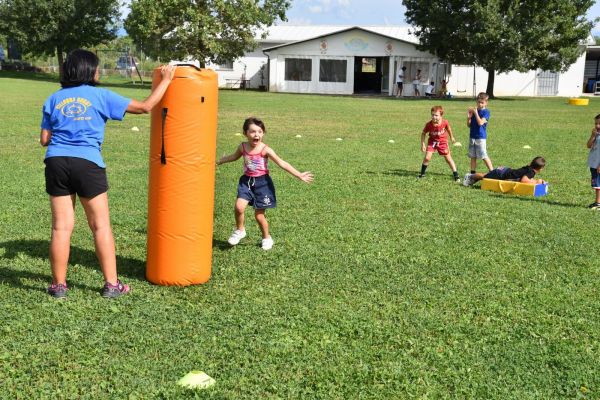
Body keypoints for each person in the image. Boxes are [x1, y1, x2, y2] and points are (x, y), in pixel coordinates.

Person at [40, 49, 176, 298]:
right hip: (87, 163)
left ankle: (58, 286)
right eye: (97, 67)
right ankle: (112, 286)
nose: (99, 71)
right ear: (89, 71)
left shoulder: (53, 98)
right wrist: (166, 80)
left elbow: (44, 139)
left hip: (56, 161)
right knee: (100, 226)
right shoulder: (100, 95)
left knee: (61, 228)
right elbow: (146, 107)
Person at [217, 117, 314, 250]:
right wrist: (221, 160)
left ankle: (266, 237)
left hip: (262, 184)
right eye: (252, 132)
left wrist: (299, 174)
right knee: (239, 207)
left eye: (260, 131)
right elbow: (234, 157)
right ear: (245, 133)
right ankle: (240, 230)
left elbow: (282, 163)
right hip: (246, 181)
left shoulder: (265, 149)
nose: (256, 135)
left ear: (263, 133)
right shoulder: (243, 146)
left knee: (259, 215)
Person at [418, 105, 460, 182]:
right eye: (432, 115)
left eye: (436, 115)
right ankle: (422, 174)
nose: (434, 117)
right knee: (427, 157)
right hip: (432, 142)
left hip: (442, 142)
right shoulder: (428, 124)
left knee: (448, 159)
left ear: (441, 115)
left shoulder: (445, 122)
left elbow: (449, 129)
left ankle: (456, 175)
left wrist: (452, 137)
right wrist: (423, 144)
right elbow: (423, 133)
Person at [463, 156, 546, 187]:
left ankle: (472, 177)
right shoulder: (531, 172)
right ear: (541, 169)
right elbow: (524, 180)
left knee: (487, 175)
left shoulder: (529, 168)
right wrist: (536, 182)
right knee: (484, 177)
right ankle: (470, 176)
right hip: (501, 174)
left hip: (504, 171)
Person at [467, 92, 493, 174]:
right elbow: (469, 125)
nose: (480, 104)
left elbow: (480, 123)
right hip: (472, 136)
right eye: (478, 102)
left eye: (482, 102)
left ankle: (492, 172)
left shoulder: (486, 112)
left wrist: (476, 113)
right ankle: (472, 173)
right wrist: (469, 118)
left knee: (483, 155)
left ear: (486, 103)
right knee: (473, 156)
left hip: (480, 137)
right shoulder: (475, 111)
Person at [586, 114, 600, 209]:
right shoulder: (596, 134)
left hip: (598, 165)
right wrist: (592, 135)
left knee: (598, 185)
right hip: (594, 164)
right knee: (597, 184)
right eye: (596, 123)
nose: (597, 126)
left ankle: (598, 203)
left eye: (599, 123)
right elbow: (588, 145)